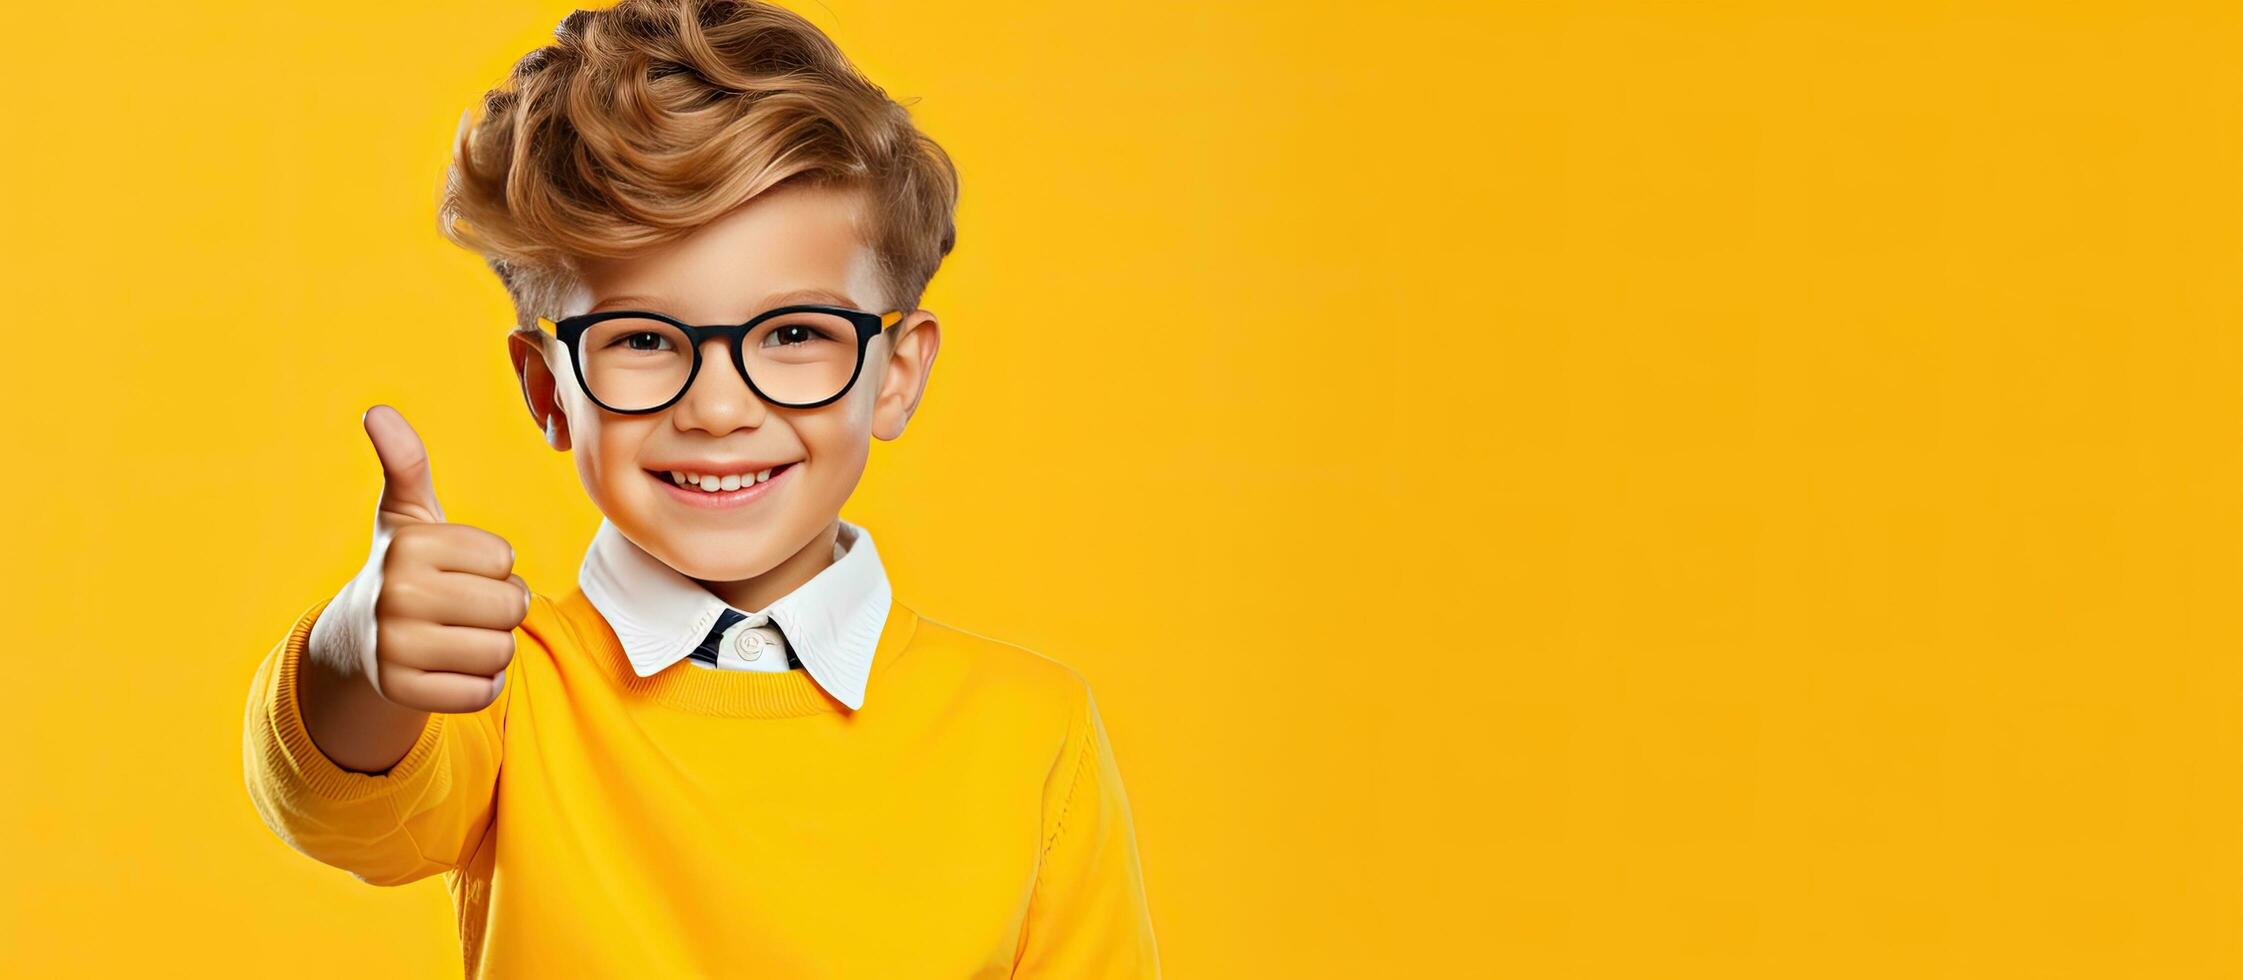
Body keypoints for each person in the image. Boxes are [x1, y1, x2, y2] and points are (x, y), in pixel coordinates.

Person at [239, 1, 1160, 975]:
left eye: (794, 333)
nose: (718, 407)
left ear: (894, 372)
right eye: (641, 339)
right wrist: (363, 653)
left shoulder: (1028, 731)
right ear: (550, 389)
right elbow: (343, 810)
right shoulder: (505, 689)